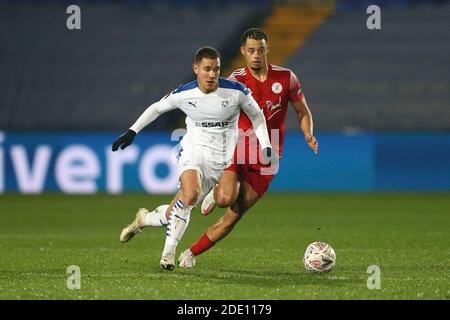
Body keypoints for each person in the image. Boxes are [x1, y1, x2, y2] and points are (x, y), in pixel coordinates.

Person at [112, 46, 272, 270]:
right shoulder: (184, 93)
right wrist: (132, 131)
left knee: (177, 211)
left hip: (223, 161)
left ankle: (144, 220)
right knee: (189, 195)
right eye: (207, 69)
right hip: (193, 153)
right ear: (196, 68)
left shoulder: (236, 92)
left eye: (216, 69)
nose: (212, 74)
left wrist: (265, 145)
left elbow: (257, 116)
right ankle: (168, 254)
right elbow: (157, 109)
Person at [177, 28, 318, 268]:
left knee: (233, 215)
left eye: (260, 50)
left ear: (267, 51)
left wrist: (308, 133)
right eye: (251, 51)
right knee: (223, 199)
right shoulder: (235, 80)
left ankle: (190, 254)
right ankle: (218, 190)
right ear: (243, 51)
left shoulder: (286, 78)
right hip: (239, 146)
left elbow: (302, 111)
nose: (256, 56)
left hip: (268, 156)